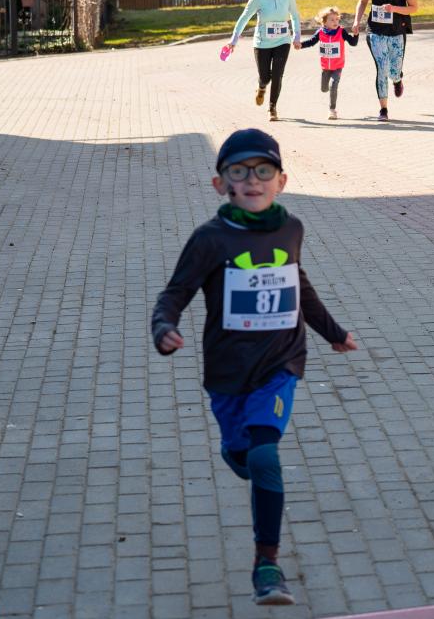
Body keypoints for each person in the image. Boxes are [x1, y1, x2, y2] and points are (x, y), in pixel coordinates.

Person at [150, 128, 357, 606]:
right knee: (243, 454)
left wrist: (333, 332)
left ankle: (267, 564)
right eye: (239, 172)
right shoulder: (210, 239)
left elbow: (299, 285)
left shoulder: (291, 229)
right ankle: (235, 451)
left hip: (281, 363)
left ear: (281, 181)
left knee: (265, 457)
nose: (252, 181)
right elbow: (175, 293)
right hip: (227, 371)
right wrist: (163, 328)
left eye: (263, 171)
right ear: (219, 184)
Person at [223, 0, 302, 122]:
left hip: (283, 41)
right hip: (262, 43)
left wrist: (296, 37)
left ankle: (272, 108)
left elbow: (294, 16)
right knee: (265, 77)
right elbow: (244, 18)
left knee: (278, 75)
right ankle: (261, 86)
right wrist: (233, 40)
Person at [352, 0, 417, 122]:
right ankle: (383, 109)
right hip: (375, 31)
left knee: (394, 70)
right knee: (382, 67)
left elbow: (414, 7)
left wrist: (394, 8)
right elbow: (363, 1)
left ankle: (397, 79)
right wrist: (357, 21)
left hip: (396, 31)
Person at [299, 6, 359, 120]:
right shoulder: (320, 32)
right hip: (325, 67)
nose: (335, 22)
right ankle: (327, 89)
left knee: (333, 85)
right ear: (324, 22)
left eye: (337, 19)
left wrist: (356, 35)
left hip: (338, 66)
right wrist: (300, 45)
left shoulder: (341, 32)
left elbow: (353, 43)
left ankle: (332, 110)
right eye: (332, 20)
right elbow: (311, 42)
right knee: (324, 88)